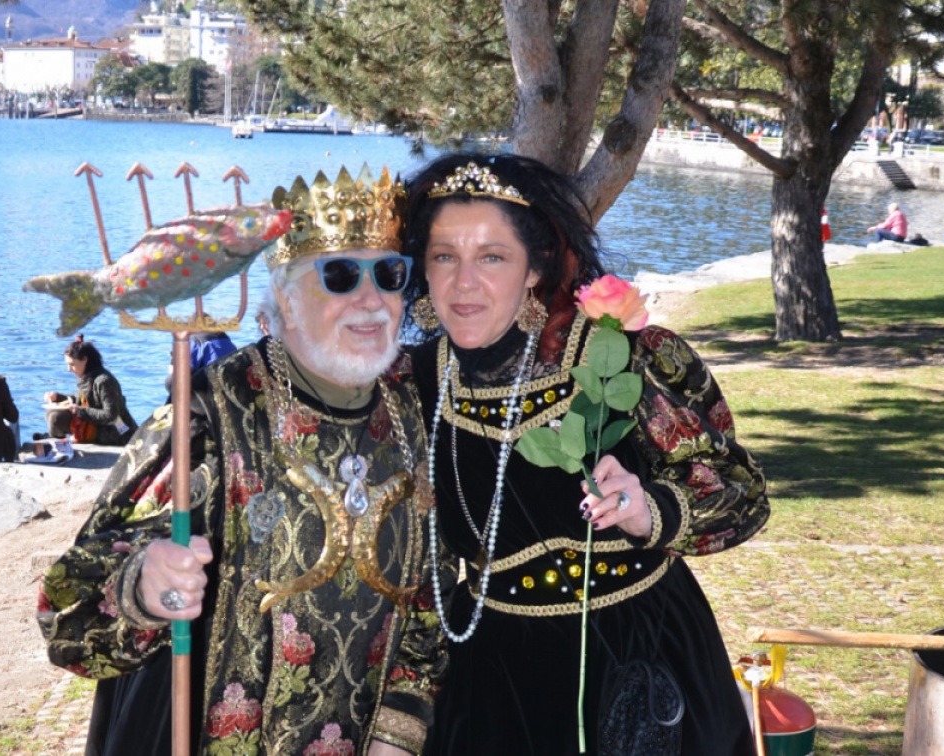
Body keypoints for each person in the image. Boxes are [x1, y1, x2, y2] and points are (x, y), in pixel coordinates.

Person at [38, 165, 445, 756]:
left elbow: (428, 596)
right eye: (338, 274)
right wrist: (142, 587)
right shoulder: (209, 417)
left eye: (389, 273)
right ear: (285, 300)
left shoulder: (413, 407)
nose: (371, 299)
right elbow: (67, 612)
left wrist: (398, 734)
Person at [401, 155, 770, 755]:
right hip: (497, 687)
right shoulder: (411, 387)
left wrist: (651, 509)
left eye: (491, 257)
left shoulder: (623, 358)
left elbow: (742, 492)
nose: (463, 282)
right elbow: (418, 574)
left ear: (535, 267)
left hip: (645, 662)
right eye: (445, 256)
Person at [43, 335, 137, 446]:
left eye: (72, 364)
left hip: (116, 432)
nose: (69, 369)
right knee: (50, 413)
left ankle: (61, 442)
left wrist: (79, 411)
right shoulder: (87, 377)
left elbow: (110, 415)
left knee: (56, 418)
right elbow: (81, 400)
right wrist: (57, 398)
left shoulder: (104, 381)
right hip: (96, 424)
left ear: (84, 359)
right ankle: (60, 440)